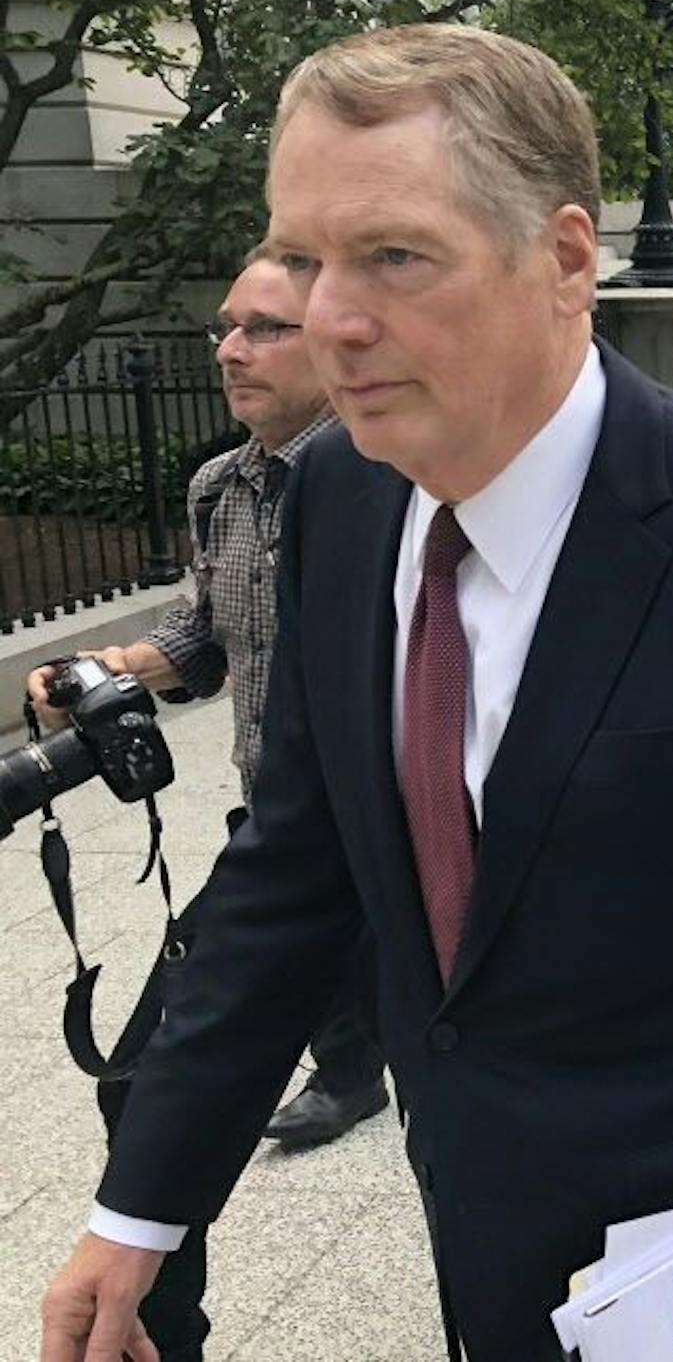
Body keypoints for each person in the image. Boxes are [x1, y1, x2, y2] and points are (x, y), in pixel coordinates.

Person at [39, 23, 673, 1362]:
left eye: (394, 256)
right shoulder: (336, 502)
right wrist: (140, 1211)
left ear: (562, 258)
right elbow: (298, 872)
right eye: (309, 258)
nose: (330, 318)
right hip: (479, 1245)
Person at [22, 259, 366, 1362]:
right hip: (280, 851)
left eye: (266, 328)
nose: (230, 349)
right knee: (145, 1092)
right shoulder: (222, 483)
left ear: (340, 337)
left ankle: (358, 1069)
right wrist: (104, 668)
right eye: (228, 327)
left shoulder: (386, 480)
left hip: (409, 862)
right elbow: (207, 638)